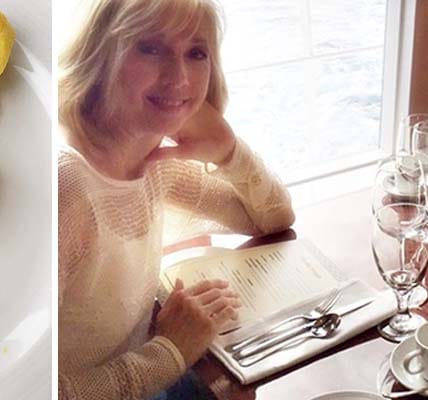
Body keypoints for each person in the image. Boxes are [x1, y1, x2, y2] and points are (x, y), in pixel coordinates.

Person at [56, 0, 295, 398]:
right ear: (101, 52)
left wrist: (230, 152)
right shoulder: (68, 187)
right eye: (150, 47)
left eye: (196, 53)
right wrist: (172, 348)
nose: (178, 76)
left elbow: (272, 218)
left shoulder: (151, 157)